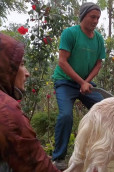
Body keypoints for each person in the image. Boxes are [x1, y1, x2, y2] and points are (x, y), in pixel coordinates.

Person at [51, 2, 106, 170]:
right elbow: (62, 62)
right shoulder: (70, 33)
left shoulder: (98, 38)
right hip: (65, 82)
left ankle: (98, 151)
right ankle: (58, 158)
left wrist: (86, 82)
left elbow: (98, 64)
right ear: (83, 16)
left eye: (98, 18)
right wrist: (81, 82)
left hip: (85, 83)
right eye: (92, 17)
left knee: (104, 109)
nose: (96, 21)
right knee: (66, 116)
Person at [0, 33, 60, 171]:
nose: (27, 73)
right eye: (20, 64)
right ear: (5, 69)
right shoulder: (6, 112)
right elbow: (39, 167)